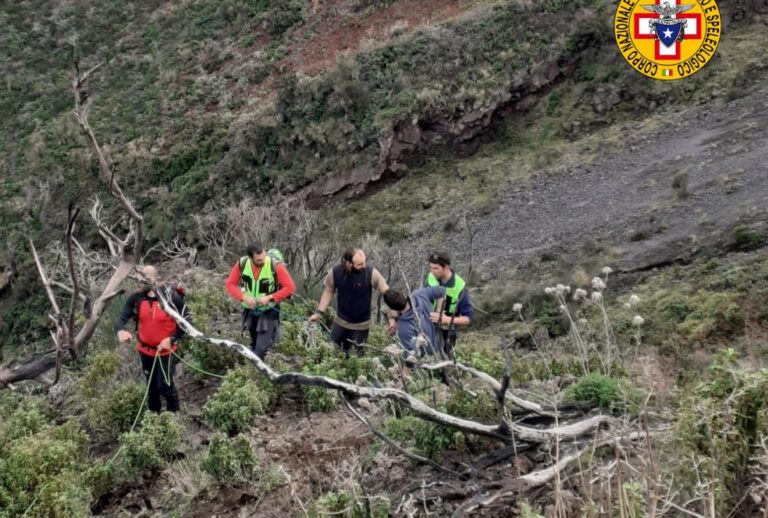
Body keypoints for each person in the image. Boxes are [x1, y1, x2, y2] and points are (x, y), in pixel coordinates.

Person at [115, 265, 190, 413]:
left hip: (166, 352)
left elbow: (187, 323)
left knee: (165, 385)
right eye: (139, 278)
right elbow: (121, 318)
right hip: (145, 352)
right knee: (151, 387)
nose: (141, 281)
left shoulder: (171, 298)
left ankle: (173, 415)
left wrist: (172, 339)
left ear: (156, 279)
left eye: (146, 278)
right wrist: (120, 330)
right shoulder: (136, 299)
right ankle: (154, 418)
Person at [309, 248, 395, 358]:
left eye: (364, 262)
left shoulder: (370, 273)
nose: (364, 265)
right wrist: (319, 313)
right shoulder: (335, 273)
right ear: (348, 264)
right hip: (340, 323)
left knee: (356, 360)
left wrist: (392, 318)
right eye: (360, 264)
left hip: (361, 326)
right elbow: (328, 291)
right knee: (333, 355)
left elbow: (387, 292)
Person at [225, 245, 295, 360]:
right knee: (253, 343)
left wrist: (270, 297)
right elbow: (230, 284)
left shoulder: (276, 265)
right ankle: (253, 370)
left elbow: (290, 287)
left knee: (261, 348)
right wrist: (243, 297)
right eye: (258, 259)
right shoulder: (242, 264)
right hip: (249, 311)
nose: (263, 260)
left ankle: (258, 369)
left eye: (264, 256)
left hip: (269, 311)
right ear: (251, 258)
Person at [425, 251, 473, 357]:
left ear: (446, 267)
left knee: (445, 363)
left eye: (435, 268)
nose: (432, 271)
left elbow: (468, 319)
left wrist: (446, 319)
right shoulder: (431, 277)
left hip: (447, 334)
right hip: (427, 327)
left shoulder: (460, 286)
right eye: (431, 267)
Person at [383, 286, 447, 358]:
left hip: (430, 359)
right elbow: (442, 290)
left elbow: (412, 356)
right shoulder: (420, 295)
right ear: (403, 295)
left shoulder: (404, 328)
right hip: (442, 345)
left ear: (392, 308)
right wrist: (438, 312)